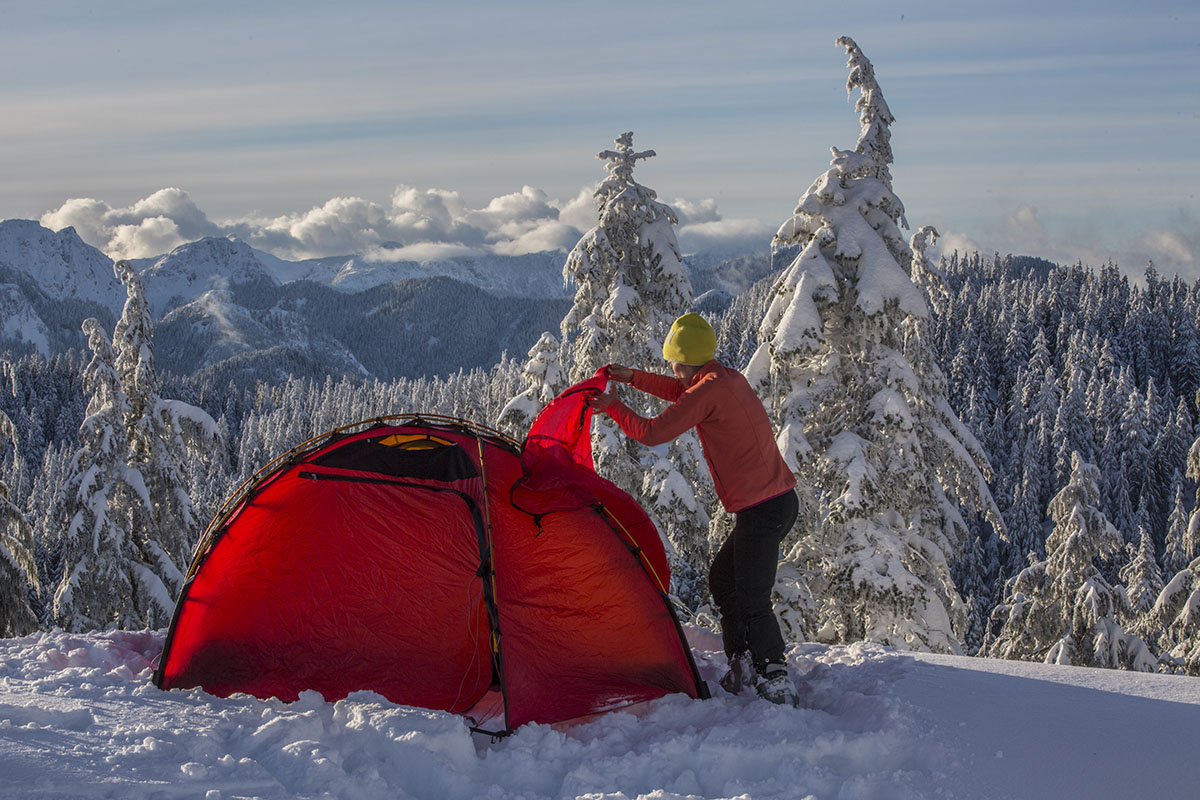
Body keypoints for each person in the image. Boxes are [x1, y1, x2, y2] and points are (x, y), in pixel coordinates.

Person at [586, 312, 800, 707]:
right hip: (775, 502)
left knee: (752, 597)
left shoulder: (707, 391)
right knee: (723, 580)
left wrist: (614, 405)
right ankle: (742, 661)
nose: (671, 367)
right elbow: (680, 393)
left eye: (673, 360)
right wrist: (632, 377)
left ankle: (775, 674)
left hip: (762, 508)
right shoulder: (722, 378)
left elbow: (652, 433)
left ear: (684, 361)